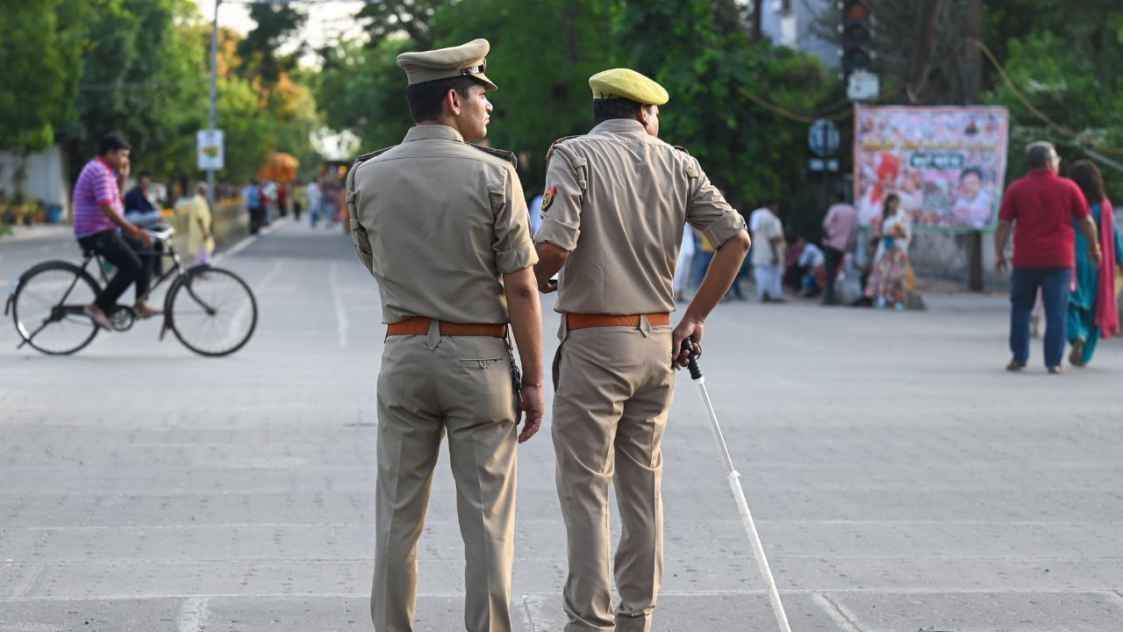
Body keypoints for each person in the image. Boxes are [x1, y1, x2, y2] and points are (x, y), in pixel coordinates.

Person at [533, 67, 749, 632]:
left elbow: (555, 244)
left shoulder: (574, 156)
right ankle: (637, 615)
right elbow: (735, 238)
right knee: (643, 484)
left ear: (601, 108)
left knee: (585, 487)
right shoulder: (679, 163)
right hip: (657, 342)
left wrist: (529, 277)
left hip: (594, 342)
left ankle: (589, 619)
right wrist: (694, 317)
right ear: (646, 113)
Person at [346, 38, 545, 632]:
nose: (489, 106)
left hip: (403, 352)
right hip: (479, 360)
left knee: (396, 519)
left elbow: (371, 257)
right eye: (482, 94)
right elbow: (524, 288)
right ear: (454, 99)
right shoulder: (495, 175)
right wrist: (534, 380)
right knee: (487, 522)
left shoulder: (366, 175)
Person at [995, 141, 1101, 374]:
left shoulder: (1016, 188)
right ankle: (1053, 362)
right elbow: (1087, 221)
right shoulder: (1068, 187)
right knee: (1057, 311)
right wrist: (1095, 248)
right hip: (1059, 261)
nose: (1058, 162)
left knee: (1021, 309)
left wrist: (999, 253)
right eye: (1056, 159)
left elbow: (1003, 224)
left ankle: (1018, 358)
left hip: (1025, 260)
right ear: (1047, 163)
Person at [72, 131, 160, 329]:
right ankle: (97, 307)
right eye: (123, 155)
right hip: (95, 233)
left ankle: (140, 304)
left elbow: (117, 201)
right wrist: (134, 230)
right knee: (132, 266)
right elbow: (108, 210)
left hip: (106, 231)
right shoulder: (99, 172)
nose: (125, 160)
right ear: (110, 153)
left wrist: (122, 178)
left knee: (147, 250)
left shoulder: (108, 172)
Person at [1065, 160, 1121, 366]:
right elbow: (1113, 235)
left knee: (1069, 303)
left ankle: (1075, 335)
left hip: (1071, 258)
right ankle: (1085, 355)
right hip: (1097, 261)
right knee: (1094, 309)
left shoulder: (1070, 201)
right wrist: (1120, 258)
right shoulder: (1104, 206)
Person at [864, 193, 912, 309]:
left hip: (898, 251)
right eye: (891, 202)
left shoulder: (902, 217)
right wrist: (881, 236)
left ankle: (898, 302)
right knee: (883, 275)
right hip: (885, 250)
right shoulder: (884, 217)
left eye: (895, 202)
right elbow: (878, 233)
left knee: (897, 277)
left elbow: (906, 234)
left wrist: (896, 234)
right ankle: (881, 299)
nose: (893, 204)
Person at [821, 193, 858, 305]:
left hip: (831, 244)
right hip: (845, 246)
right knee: (840, 272)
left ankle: (829, 298)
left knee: (830, 273)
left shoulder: (834, 208)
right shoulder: (853, 211)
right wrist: (850, 243)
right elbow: (854, 229)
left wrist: (829, 235)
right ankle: (838, 297)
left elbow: (826, 224)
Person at [750, 201, 785, 302]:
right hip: (770, 251)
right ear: (772, 206)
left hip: (758, 249)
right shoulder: (771, 218)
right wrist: (775, 254)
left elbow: (753, 231)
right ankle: (773, 294)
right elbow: (773, 238)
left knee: (760, 272)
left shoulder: (756, 214)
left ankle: (763, 293)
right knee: (773, 273)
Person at [176, 179, 214, 266]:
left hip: (200, 231)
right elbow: (199, 218)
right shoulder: (198, 201)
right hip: (200, 231)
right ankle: (200, 270)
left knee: (202, 252)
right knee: (201, 252)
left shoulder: (200, 200)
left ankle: (202, 269)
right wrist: (204, 231)